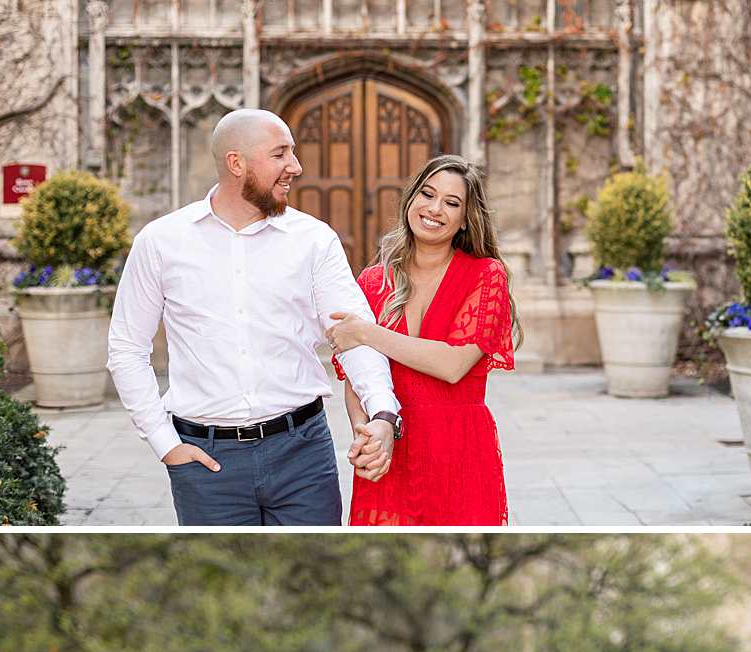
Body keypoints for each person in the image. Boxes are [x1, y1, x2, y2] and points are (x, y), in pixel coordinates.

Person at [107, 109, 400, 527]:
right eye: (280, 154)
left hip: (303, 456)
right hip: (206, 465)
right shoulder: (161, 241)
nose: (295, 167)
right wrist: (164, 443)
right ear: (236, 163)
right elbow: (126, 347)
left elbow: (355, 336)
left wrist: (383, 413)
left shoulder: (314, 240)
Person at [327, 155, 517, 526]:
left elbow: (452, 365)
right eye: (427, 194)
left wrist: (366, 332)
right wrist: (367, 434)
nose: (434, 209)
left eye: (451, 202)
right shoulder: (373, 281)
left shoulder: (485, 275)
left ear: (466, 219)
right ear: (411, 198)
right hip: (390, 449)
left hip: (458, 453)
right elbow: (358, 378)